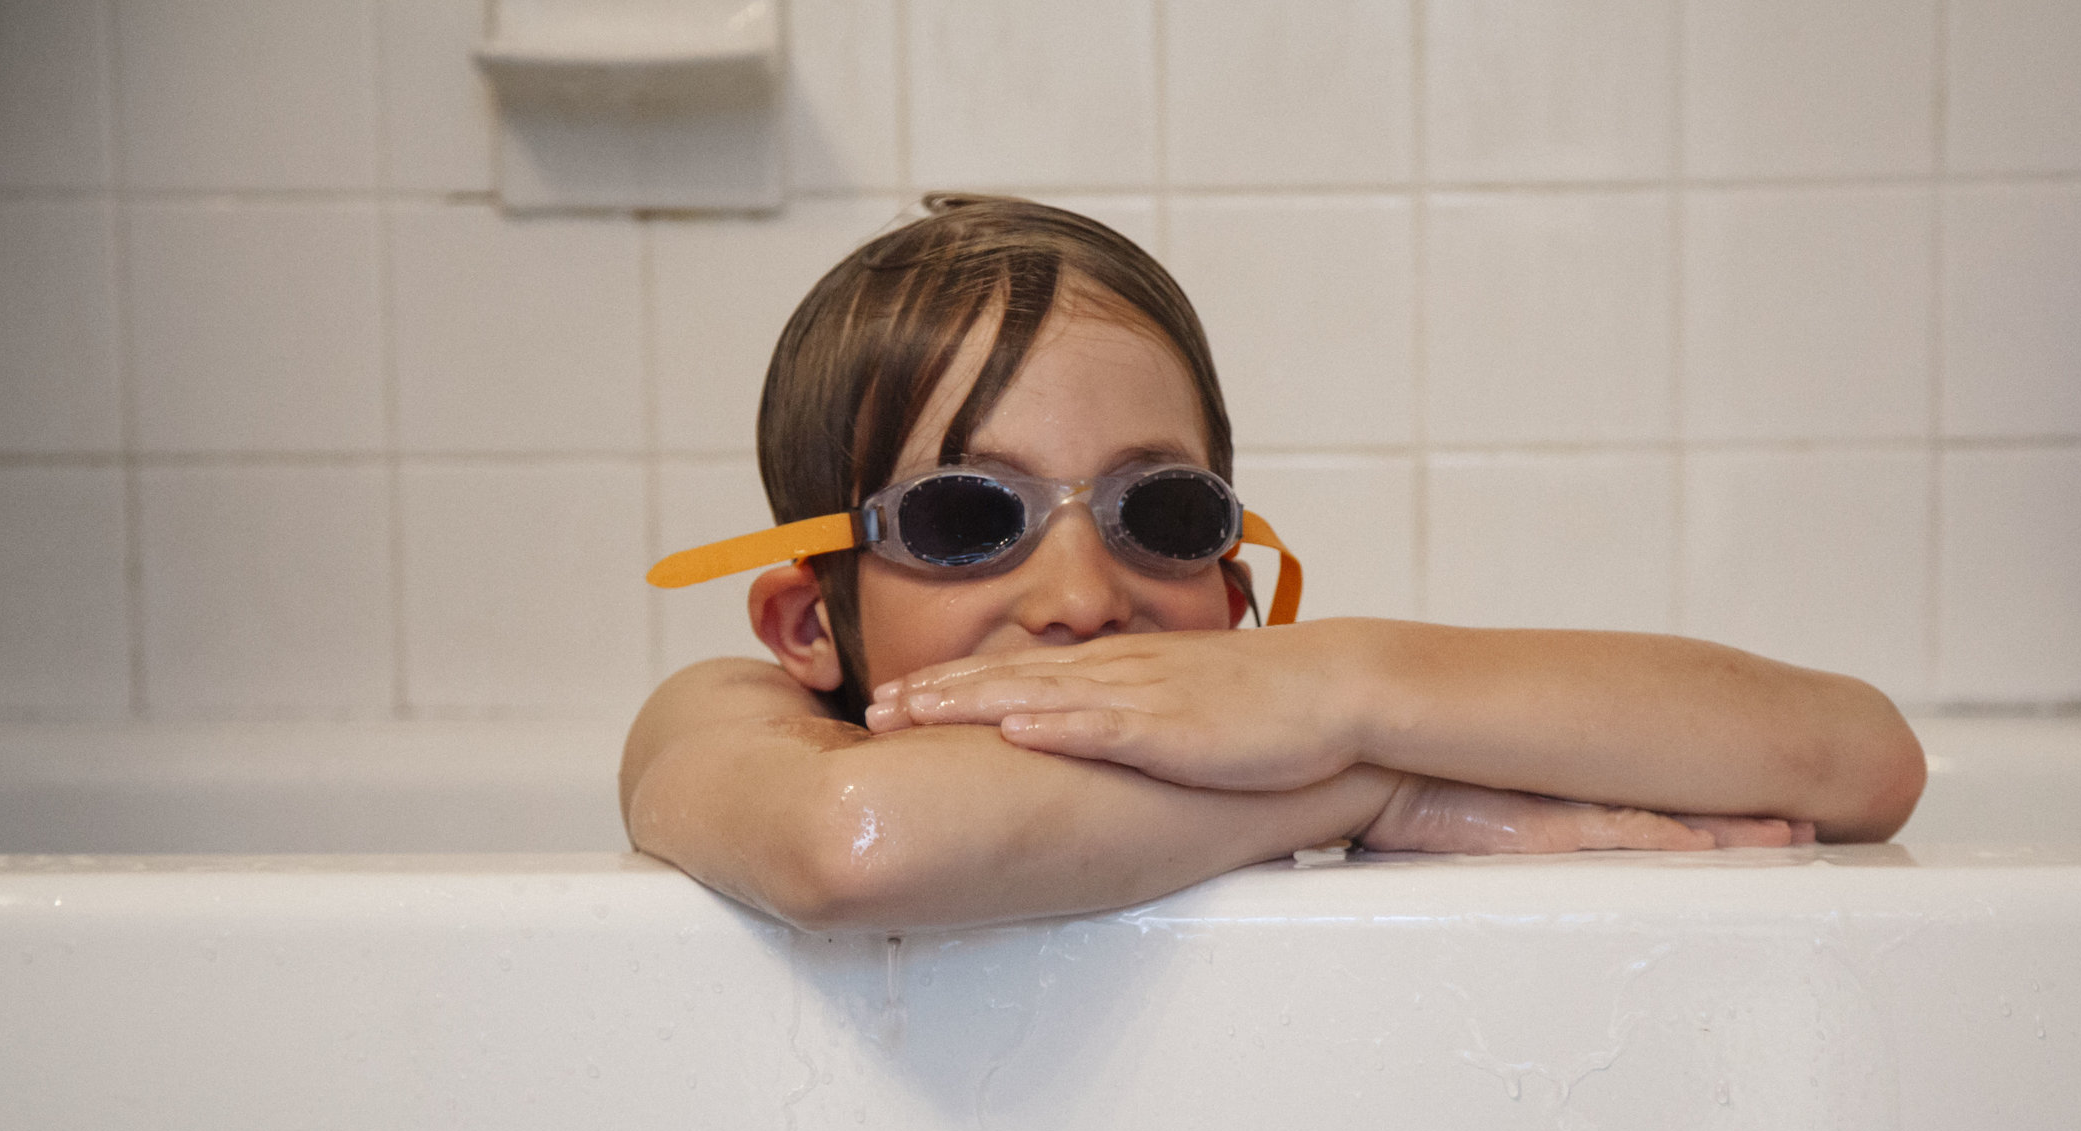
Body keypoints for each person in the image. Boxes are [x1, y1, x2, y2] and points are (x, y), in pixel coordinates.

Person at [620, 195, 1924, 931]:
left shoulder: (1307, 706)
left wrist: (1344, 680)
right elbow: (857, 848)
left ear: (1236, 589)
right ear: (807, 621)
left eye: (1163, 514)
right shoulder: (735, 717)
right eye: (968, 518)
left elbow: (1859, 758)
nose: (1082, 598)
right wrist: (1367, 790)